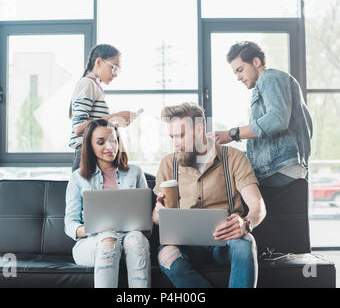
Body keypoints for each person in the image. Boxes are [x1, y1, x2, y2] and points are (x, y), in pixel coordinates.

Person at [152, 102, 266, 288]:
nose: (176, 143)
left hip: (224, 244)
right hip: (186, 244)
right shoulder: (168, 163)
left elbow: (258, 207)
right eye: (172, 137)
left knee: (245, 244)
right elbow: (155, 217)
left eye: (180, 135)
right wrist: (159, 212)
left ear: (199, 129)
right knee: (166, 255)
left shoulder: (233, 158)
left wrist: (246, 223)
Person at [209, 41, 313, 187]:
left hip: (280, 168)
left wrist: (232, 134)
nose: (238, 77)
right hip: (280, 167)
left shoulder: (269, 77)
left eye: (240, 69)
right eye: (235, 73)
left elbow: (277, 119)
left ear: (256, 61)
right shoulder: (269, 85)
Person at [64, 119, 151, 288]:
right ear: (90, 146)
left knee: (136, 239)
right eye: (101, 142)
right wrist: (95, 228)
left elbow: (146, 221)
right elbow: (70, 224)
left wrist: (140, 226)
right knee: (109, 240)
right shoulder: (78, 178)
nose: (109, 146)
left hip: (130, 241)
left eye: (113, 140)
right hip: (92, 243)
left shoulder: (135, 172)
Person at [69, 44, 138, 172]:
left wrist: (114, 123)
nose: (115, 74)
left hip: (93, 153)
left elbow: (94, 125)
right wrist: (113, 116)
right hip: (87, 155)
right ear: (99, 62)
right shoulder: (87, 84)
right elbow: (79, 128)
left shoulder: (94, 87)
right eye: (114, 67)